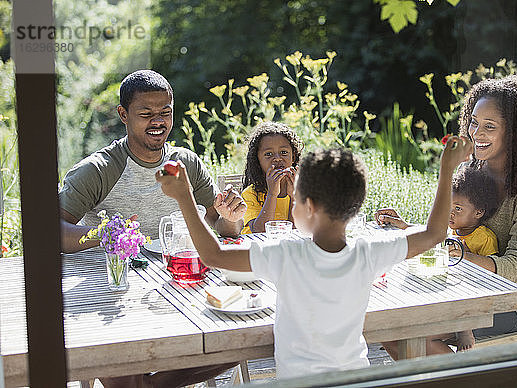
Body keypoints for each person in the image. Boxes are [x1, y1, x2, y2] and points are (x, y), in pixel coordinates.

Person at [155, 138, 472, 379]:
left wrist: (185, 197)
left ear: (308, 207)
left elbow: (214, 255)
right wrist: (447, 168)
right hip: (356, 380)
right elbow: (433, 234)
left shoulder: (287, 256)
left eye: (295, 200)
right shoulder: (368, 254)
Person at [58, 70, 246, 387]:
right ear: (123, 115)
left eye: (165, 112)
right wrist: (104, 234)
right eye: (146, 114)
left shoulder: (185, 162)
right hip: (112, 298)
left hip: (180, 290)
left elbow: (220, 229)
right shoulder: (100, 169)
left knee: (241, 338)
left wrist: (229, 215)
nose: (157, 121)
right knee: (124, 366)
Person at [377, 74, 517, 359]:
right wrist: (410, 228)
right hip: (468, 287)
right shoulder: (475, 171)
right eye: (474, 122)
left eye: (490, 126)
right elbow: (458, 229)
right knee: (389, 325)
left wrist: (459, 255)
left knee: (406, 330)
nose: (476, 133)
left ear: (515, 133)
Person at [427, 165, 501, 353]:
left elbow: (493, 273)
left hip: (476, 295)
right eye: (449, 207)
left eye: (458, 209)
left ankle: (465, 330)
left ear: (478, 212)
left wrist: (467, 257)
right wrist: (403, 225)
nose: (450, 213)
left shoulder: (484, 237)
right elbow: (430, 237)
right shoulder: (453, 231)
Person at [240, 121, 303, 234]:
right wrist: (272, 194)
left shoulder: (301, 190)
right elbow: (260, 231)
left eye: (284, 152)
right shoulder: (250, 194)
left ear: (293, 157)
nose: (277, 158)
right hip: (257, 249)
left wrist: (294, 197)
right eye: (268, 154)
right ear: (257, 160)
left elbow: (296, 231)